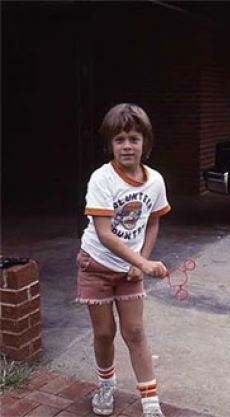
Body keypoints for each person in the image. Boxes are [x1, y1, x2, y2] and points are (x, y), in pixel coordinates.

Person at [77, 103, 171, 417]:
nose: (127, 145)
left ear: (146, 143)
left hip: (129, 267)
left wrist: (139, 261)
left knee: (135, 331)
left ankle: (150, 401)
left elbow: (153, 222)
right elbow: (104, 234)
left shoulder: (155, 181)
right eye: (119, 140)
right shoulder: (102, 179)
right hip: (96, 265)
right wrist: (144, 264)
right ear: (110, 144)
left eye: (133, 138)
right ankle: (106, 384)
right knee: (104, 332)